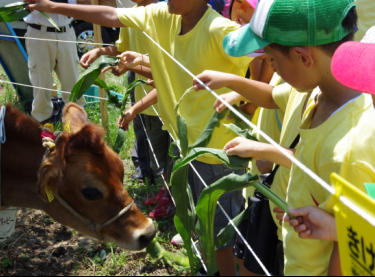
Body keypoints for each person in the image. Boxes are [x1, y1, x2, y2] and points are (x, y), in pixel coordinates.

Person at [26, 0, 253, 274]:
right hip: (188, 140)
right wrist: (55, 7)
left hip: (220, 146)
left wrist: (245, 99)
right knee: (204, 214)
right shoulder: (164, 15)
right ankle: (210, 264)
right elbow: (111, 14)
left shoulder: (220, 29)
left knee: (223, 228)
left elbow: (265, 61)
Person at [197, 0, 374, 275]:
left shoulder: (349, 147)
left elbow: (356, 251)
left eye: (272, 60)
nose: (272, 69)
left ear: (304, 57)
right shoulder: (315, 93)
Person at [24, 0, 80, 123]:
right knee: (41, 84)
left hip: (67, 32)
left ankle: (74, 126)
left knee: (73, 82)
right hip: (39, 32)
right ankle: (43, 126)